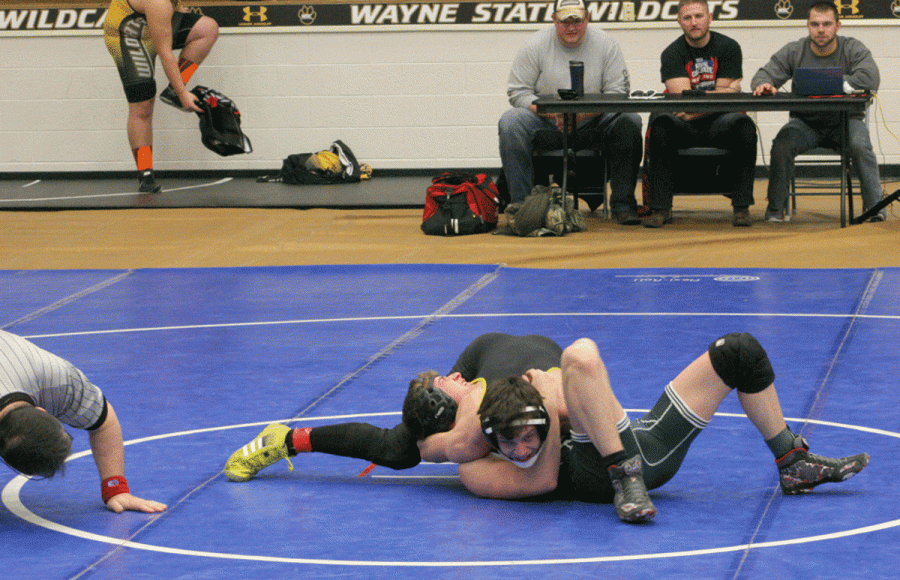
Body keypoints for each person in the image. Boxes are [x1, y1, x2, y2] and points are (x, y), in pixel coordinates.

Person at [224, 332, 869, 524]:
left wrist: (554, 397)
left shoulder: (474, 365)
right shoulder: (466, 452)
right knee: (582, 355)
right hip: (615, 457)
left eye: (439, 375)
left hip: (626, 431)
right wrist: (554, 405)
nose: (441, 376)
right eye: (436, 384)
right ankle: (627, 481)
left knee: (740, 352)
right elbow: (542, 474)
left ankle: (790, 459)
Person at [498, 0, 643, 225]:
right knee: (510, 121)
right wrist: (554, 114)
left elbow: (618, 94)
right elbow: (518, 92)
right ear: (554, 20)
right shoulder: (534, 45)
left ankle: (623, 205)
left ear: (588, 18)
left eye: (577, 20)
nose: (572, 27)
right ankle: (522, 207)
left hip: (594, 124)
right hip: (547, 123)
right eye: (565, 21)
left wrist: (580, 116)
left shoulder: (607, 44)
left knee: (630, 120)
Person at [0, 330, 167, 514]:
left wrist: (115, 488)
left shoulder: (58, 381)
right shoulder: (56, 384)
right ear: (41, 410)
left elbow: (104, 423)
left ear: (41, 410)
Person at [751, 1, 885, 223]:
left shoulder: (853, 48)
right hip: (805, 124)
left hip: (846, 121)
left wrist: (825, 81)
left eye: (826, 24)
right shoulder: (795, 50)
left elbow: (870, 79)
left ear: (838, 26)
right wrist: (765, 84)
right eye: (815, 24)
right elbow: (763, 74)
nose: (820, 30)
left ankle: (875, 209)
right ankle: (776, 209)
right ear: (807, 26)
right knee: (782, 145)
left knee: (861, 146)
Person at [643, 0, 757, 229]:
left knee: (744, 125)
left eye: (699, 16)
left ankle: (742, 207)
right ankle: (661, 208)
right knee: (662, 125)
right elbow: (688, 100)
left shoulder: (729, 47)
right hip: (683, 126)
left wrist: (694, 110)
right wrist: (724, 92)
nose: (694, 22)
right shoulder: (672, 53)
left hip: (720, 124)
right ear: (679, 21)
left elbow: (708, 103)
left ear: (710, 17)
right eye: (687, 18)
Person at [104, 0, 219, 193]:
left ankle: (173, 92)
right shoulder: (157, 2)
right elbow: (165, 53)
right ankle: (145, 172)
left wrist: (176, 7)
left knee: (208, 28)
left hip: (152, 21)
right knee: (143, 107)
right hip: (129, 35)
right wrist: (183, 93)